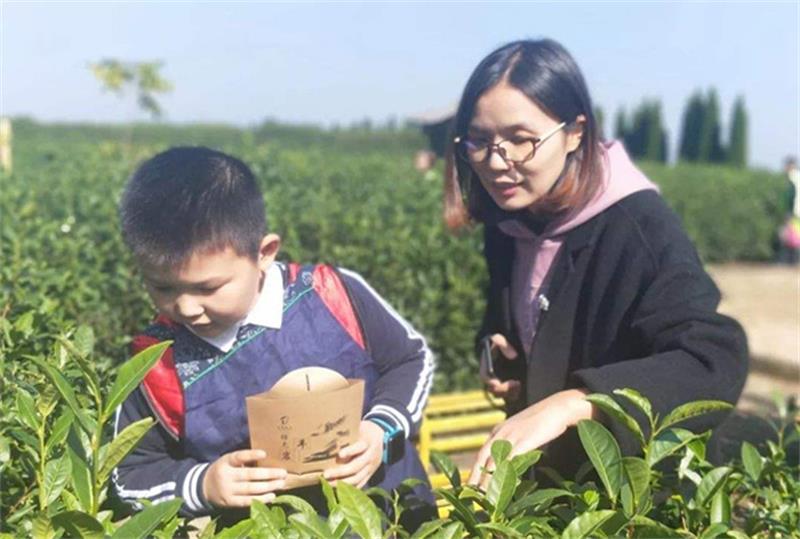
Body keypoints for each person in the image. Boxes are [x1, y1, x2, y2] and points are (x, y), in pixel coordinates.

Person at [442, 39, 749, 485]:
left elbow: (711, 358)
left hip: (632, 491)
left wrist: (579, 401)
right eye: (480, 141)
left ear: (575, 133)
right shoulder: (510, 219)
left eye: (521, 140)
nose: (496, 161)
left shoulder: (636, 226)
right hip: (553, 478)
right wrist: (503, 359)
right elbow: (524, 320)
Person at [112, 147, 435, 525]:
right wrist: (203, 484)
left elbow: (411, 360)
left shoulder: (332, 295)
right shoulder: (155, 363)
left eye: (208, 288)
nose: (185, 308)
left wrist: (380, 430)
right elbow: (128, 474)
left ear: (264, 253)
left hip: (390, 517)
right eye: (163, 288)